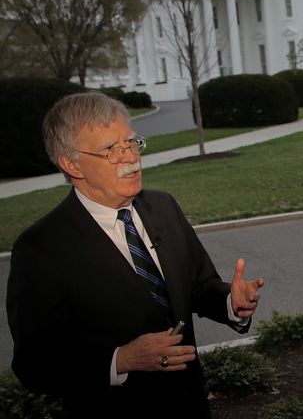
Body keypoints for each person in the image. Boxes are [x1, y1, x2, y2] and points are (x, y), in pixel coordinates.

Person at [6, 92, 265, 418]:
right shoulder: (41, 247)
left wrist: (232, 303)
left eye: (131, 143)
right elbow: (34, 364)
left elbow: (199, 287)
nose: (130, 158)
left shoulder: (163, 207)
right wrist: (121, 359)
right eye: (110, 150)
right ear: (71, 164)